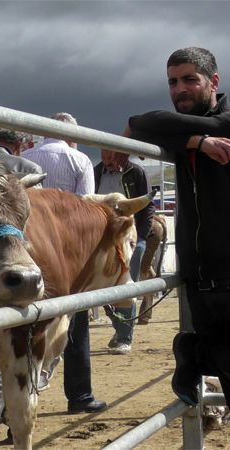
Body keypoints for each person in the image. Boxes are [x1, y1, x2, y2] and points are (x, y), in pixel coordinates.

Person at [126, 47, 230, 448]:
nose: (180, 88)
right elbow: (139, 123)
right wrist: (199, 141)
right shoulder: (183, 136)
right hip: (199, 278)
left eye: (190, 79)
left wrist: (197, 138)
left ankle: (191, 350)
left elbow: (151, 126)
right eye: (173, 81)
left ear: (214, 81)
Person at [23, 112, 106, 414]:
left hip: (28, 246)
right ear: (72, 136)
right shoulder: (79, 159)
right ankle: (79, 395)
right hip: (68, 253)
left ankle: (15, 400)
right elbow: (86, 210)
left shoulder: (26, 157)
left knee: (22, 323)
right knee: (76, 324)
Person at [94, 149, 155, 355]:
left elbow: (148, 206)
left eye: (111, 158)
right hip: (102, 239)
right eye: (104, 158)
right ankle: (119, 328)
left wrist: (140, 238)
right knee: (102, 288)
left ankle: (124, 336)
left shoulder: (136, 172)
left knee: (126, 286)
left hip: (130, 238)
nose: (107, 162)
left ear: (122, 155)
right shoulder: (96, 172)